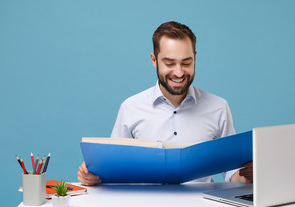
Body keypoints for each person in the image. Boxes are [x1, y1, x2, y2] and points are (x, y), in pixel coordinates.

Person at [78, 21, 253, 186]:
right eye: (169, 63)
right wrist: (90, 176)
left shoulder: (218, 108)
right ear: (154, 60)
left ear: (195, 58)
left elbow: (232, 174)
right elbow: (112, 171)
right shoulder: (130, 108)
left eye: (186, 63)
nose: (178, 72)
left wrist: (248, 176)